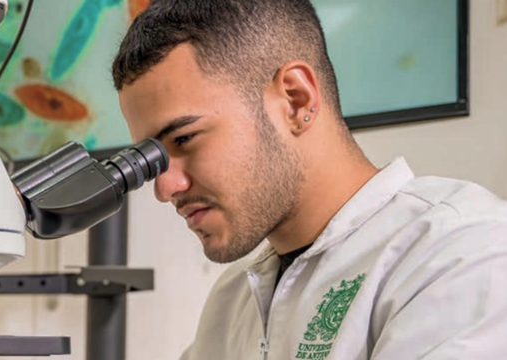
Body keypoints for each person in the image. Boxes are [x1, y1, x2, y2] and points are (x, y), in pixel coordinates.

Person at [111, 0, 507, 359]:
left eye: (184, 139)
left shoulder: (460, 252)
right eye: (155, 160)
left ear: (296, 99)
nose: (165, 188)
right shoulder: (232, 301)